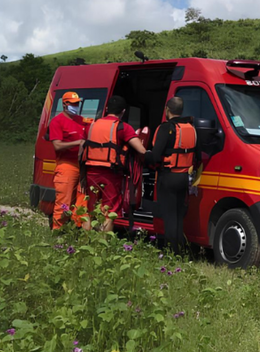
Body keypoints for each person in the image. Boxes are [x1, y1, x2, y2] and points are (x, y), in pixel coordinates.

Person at [78, 95, 146, 232]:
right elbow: (141, 150)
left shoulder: (92, 125)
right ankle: (103, 244)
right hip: (110, 174)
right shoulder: (123, 127)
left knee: (89, 209)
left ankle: (85, 242)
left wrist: (82, 175)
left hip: (91, 171)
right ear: (123, 111)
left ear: (107, 109)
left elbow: (81, 151)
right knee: (109, 210)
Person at [146, 97, 198, 255]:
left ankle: (171, 252)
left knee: (169, 216)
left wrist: (144, 156)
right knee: (178, 215)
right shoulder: (191, 128)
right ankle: (180, 251)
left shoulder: (165, 128)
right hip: (184, 178)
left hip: (168, 177)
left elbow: (155, 156)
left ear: (167, 110)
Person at [48, 91, 89, 230]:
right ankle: (57, 234)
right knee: (63, 204)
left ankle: (75, 234)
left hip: (82, 166)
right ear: (64, 104)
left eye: (77, 103)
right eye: (73, 103)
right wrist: (78, 142)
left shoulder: (81, 120)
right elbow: (57, 145)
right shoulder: (57, 121)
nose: (76, 105)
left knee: (81, 203)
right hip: (66, 166)